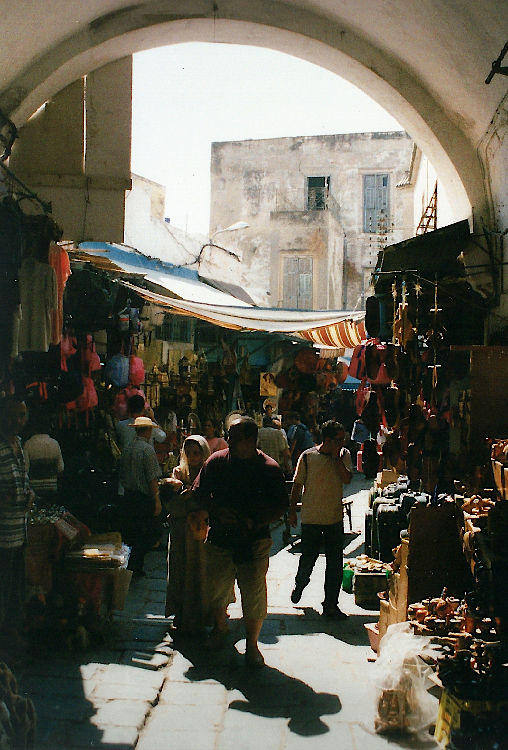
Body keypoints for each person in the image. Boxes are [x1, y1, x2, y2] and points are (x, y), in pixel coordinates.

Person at [193, 417, 288, 667]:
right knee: (216, 590)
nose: (229, 440)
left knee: (254, 594)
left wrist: (255, 521)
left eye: (234, 437)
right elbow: (199, 493)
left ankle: (253, 644)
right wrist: (216, 510)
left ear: (250, 440)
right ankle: (220, 627)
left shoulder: (269, 468)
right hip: (220, 538)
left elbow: (280, 505)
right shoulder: (216, 462)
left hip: (254, 540)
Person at [288, 420, 352, 620]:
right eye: (338, 440)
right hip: (312, 518)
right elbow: (297, 485)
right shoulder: (308, 457)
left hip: (333, 518)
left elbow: (347, 479)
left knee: (334, 563)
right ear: (327, 439)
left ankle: (331, 604)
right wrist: (291, 511)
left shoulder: (343, 456)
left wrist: (336, 459)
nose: (342, 443)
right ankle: (301, 583)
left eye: (343, 439)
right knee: (308, 557)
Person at [162, 435, 211, 633]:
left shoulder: (209, 472)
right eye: (188, 453)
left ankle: (200, 614)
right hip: (181, 531)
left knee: (199, 570)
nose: (192, 457)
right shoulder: (178, 472)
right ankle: (180, 612)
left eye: (196, 453)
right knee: (179, 568)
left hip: (199, 531)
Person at [0, 396, 34, 652]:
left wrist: (29, 493)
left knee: (14, 590)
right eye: (13, 416)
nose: (18, 421)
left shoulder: (20, 445)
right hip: (3, 533)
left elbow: (24, 481)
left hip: (19, 531)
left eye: (22, 416)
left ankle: (12, 637)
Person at [119, 416, 162, 575]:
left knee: (131, 533)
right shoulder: (147, 450)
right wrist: (157, 499)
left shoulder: (128, 447)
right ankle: (136, 566)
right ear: (148, 430)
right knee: (144, 534)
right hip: (143, 499)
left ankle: (130, 565)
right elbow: (152, 478)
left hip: (129, 496)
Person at [23, 409, 64, 500]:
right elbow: (61, 468)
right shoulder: (55, 444)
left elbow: (25, 469)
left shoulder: (28, 444)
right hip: (52, 487)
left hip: (34, 489)